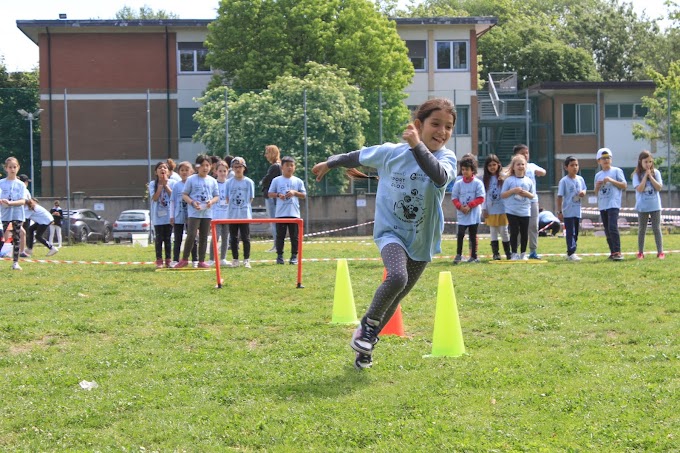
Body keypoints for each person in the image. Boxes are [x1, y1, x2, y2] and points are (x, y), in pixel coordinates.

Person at [312, 97, 458, 370]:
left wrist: (417, 146)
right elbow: (358, 156)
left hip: (422, 239)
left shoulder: (446, 158)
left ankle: (365, 344)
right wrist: (330, 163)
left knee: (396, 296)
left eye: (448, 127)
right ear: (418, 125)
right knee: (397, 276)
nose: (442, 131)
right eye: (435, 124)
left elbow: (438, 176)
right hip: (391, 232)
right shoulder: (391, 152)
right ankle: (367, 326)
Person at [173, 154, 219, 269]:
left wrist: (211, 202)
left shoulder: (213, 181)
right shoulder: (191, 179)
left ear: (211, 167)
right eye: (202, 165)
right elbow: (184, 195)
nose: (205, 168)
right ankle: (184, 259)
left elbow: (217, 196)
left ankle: (201, 261)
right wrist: (193, 203)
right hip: (194, 213)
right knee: (191, 235)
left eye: (207, 165)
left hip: (207, 213)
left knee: (204, 236)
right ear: (197, 167)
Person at [268, 156, 306, 265]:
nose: (289, 167)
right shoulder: (276, 180)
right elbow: (270, 194)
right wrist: (278, 195)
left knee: (294, 237)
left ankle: (294, 256)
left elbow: (304, 195)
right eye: (287, 165)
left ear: (294, 167)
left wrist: (294, 193)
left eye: (292, 165)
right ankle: (279, 256)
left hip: (294, 214)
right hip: (280, 213)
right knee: (280, 236)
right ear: (282, 167)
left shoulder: (298, 181)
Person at [512, 145, 545, 259]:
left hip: (532, 200)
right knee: (520, 228)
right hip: (518, 202)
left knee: (533, 226)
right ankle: (516, 251)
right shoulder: (514, 168)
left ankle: (533, 251)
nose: (526, 155)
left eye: (527, 153)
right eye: (523, 153)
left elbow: (544, 172)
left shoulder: (531, 166)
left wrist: (539, 172)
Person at [594, 148, 627, 261]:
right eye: (603, 158)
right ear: (599, 161)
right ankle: (612, 252)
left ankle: (618, 252)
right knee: (607, 229)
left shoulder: (617, 171)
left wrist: (611, 180)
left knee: (613, 227)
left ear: (611, 159)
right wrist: (597, 187)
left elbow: (624, 185)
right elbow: (595, 192)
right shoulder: (598, 175)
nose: (606, 160)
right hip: (603, 205)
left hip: (613, 203)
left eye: (608, 158)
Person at [451, 157, 485, 263]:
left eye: (467, 169)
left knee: (473, 235)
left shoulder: (478, 183)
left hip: (473, 214)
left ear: (473, 170)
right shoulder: (458, 183)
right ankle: (458, 255)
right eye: (463, 169)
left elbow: (481, 198)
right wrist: (460, 207)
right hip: (462, 214)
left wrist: (470, 206)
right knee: (460, 234)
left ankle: (474, 256)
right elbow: (454, 198)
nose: (464, 171)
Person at [501, 154, 535, 260]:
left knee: (524, 232)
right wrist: (513, 191)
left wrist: (525, 193)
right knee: (514, 232)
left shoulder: (529, 181)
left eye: (522, 164)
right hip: (512, 211)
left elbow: (532, 195)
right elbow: (503, 195)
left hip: (525, 211)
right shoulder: (509, 180)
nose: (520, 166)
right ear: (513, 167)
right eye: (518, 164)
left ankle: (523, 253)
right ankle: (514, 253)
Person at [632, 150, 664, 259]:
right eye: (646, 162)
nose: (648, 164)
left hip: (655, 206)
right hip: (642, 206)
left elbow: (659, 187)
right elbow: (640, 189)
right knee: (642, 229)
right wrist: (645, 177)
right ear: (640, 162)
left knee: (656, 228)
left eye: (650, 161)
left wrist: (651, 177)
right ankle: (640, 252)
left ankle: (660, 252)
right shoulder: (636, 174)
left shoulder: (657, 173)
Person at [225, 157, 255, 268]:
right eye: (235, 167)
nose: (238, 169)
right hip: (232, 214)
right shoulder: (228, 183)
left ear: (244, 168)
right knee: (233, 238)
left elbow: (251, 198)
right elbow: (227, 198)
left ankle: (246, 259)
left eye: (240, 167)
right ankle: (235, 259)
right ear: (232, 168)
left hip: (244, 214)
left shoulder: (249, 182)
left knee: (246, 237)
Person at [0, 157, 29, 270]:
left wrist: (11, 203)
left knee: (16, 237)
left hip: (17, 214)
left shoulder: (21, 184)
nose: (12, 169)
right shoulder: (1, 183)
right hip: (3, 214)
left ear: (18, 168)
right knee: (2, 237)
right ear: (6, 168)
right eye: (10, 167)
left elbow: (23, 201)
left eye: (14, 167)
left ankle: (15, 262)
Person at [556, 156, 587, 261]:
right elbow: (559, 197)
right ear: (566, 167)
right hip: (568, 211)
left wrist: (583, 193)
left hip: (577, 210)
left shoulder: (580, 179)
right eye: (572, 165)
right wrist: (559, 211)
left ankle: (571, 252)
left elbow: (584, 189)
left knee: (576, 232)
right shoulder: (564, 181)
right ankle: (571, 252)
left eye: (576, 165)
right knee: (570, 232)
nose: (575, 167)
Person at [482, 154, 511, 260]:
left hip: (503, 209)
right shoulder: (485, 179)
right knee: (493, 231)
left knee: (504, 231)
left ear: (498, 165)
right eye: (489, 165)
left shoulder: (504, 177)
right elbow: (483, 195)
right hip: (491, 210)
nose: (492, 167)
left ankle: (508, 253)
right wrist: (483, 209)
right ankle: (496, 253)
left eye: (494, 164)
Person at [169, 161, 197, 266]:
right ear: (179, 172)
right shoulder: (176, 185)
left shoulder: (193, 184)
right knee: (177, 238)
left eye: (187, 170)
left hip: (192, 216)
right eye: (182, 170)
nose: (184, 172)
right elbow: (172, 201)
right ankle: (175, 260)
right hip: (178, 216)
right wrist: (171, 216)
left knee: (192, 237)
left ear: (191, 171)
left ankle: (195, 259)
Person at [149, 161, 175, 269]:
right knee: (159, 238)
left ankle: (168, 260)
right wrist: (160, 187)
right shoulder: (152, 184)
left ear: (168, 172)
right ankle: (159, 260)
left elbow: (173, 196)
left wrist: (166, 185)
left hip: (169, 216)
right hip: (157, 216)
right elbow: (154, 198)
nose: (162, 169)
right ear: (156, 172)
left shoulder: (173, 183)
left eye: (165, 168)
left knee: (168, 238)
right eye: (160, 168)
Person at [260, 145, 282, 252]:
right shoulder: (279, 166)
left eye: (267, 153)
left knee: (274, 221)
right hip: (275, 197)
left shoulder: (275, 167)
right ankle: (276, 245)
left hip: (272, 198)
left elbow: (266, 180)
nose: (266, 155)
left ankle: (276, 246)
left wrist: (262, 182)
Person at [209, 160, 230, 266]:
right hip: (215, 216)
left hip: (227, 215)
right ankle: (212, 259)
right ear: (216, 171)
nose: (222, 173)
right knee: (215, 238)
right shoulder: (213, 183)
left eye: (224, 171)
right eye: (220, 171)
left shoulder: (230, 183)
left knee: (226, 237)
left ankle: (223, 258)